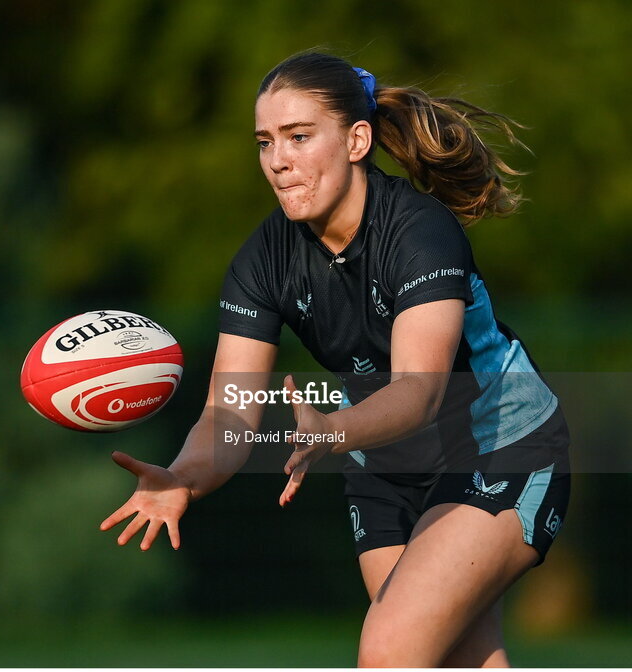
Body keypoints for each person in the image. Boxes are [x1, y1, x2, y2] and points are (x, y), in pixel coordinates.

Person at [100, 51, 570, 668]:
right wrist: (183, 475)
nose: (278, 160)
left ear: (356, 140)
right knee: (460, 660)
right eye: (265, 142)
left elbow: (418, 393)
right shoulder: (263, 260)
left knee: (389, 651)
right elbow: (230, 411)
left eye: (298, 137)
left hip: (502, 449)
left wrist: (331, 429)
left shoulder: (419, 231)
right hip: (385, 469)